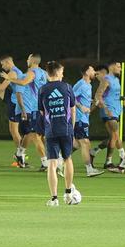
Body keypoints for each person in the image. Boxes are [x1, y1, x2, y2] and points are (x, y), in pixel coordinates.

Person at [38, 62, 81, 206]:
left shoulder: (42, 90)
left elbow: (42, 112)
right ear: (57, 72)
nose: (63, 74)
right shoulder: (67, 87)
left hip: (51, 130)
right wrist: (72, 128)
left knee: (52, 163)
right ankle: (68, 194)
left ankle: (54, 199)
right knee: (68, 159)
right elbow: (73, 110)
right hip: (66, 129)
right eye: (62, 71)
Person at [4, 54, 49, 171]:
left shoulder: (28, 74)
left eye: (28, 58)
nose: (27, 60)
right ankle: (45, 162)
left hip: (32, 109)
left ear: (32, 60)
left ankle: (20, 153)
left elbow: (22, 85)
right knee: (34, 135)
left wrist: (9, 79)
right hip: (36, 109)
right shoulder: (44, 73)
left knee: (32, 134)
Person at [90, 61, 124, 172]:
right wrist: (105, 109)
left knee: (113, 137)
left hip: (116, 110)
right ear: (112, 67)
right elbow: (98, 95)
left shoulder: (117, 80)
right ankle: (114, 160)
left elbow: (114, 95)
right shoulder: (106, 80)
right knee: (115, 135)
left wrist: (124, 99)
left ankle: (94, 152)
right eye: (118, 67)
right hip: (109, 112)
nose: (120, 69)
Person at [72, 64, 103, 177]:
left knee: (77, 144)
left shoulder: (88, 85)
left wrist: (92, 103)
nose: (94, 71)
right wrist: (81, 107)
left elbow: (83, 99)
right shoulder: (81, 84)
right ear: (86, 73)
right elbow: (70, 97)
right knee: (85, 143)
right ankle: (89, 170)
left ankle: (60, 159)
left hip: (84, 118)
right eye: (92, 70)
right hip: (79, 118)